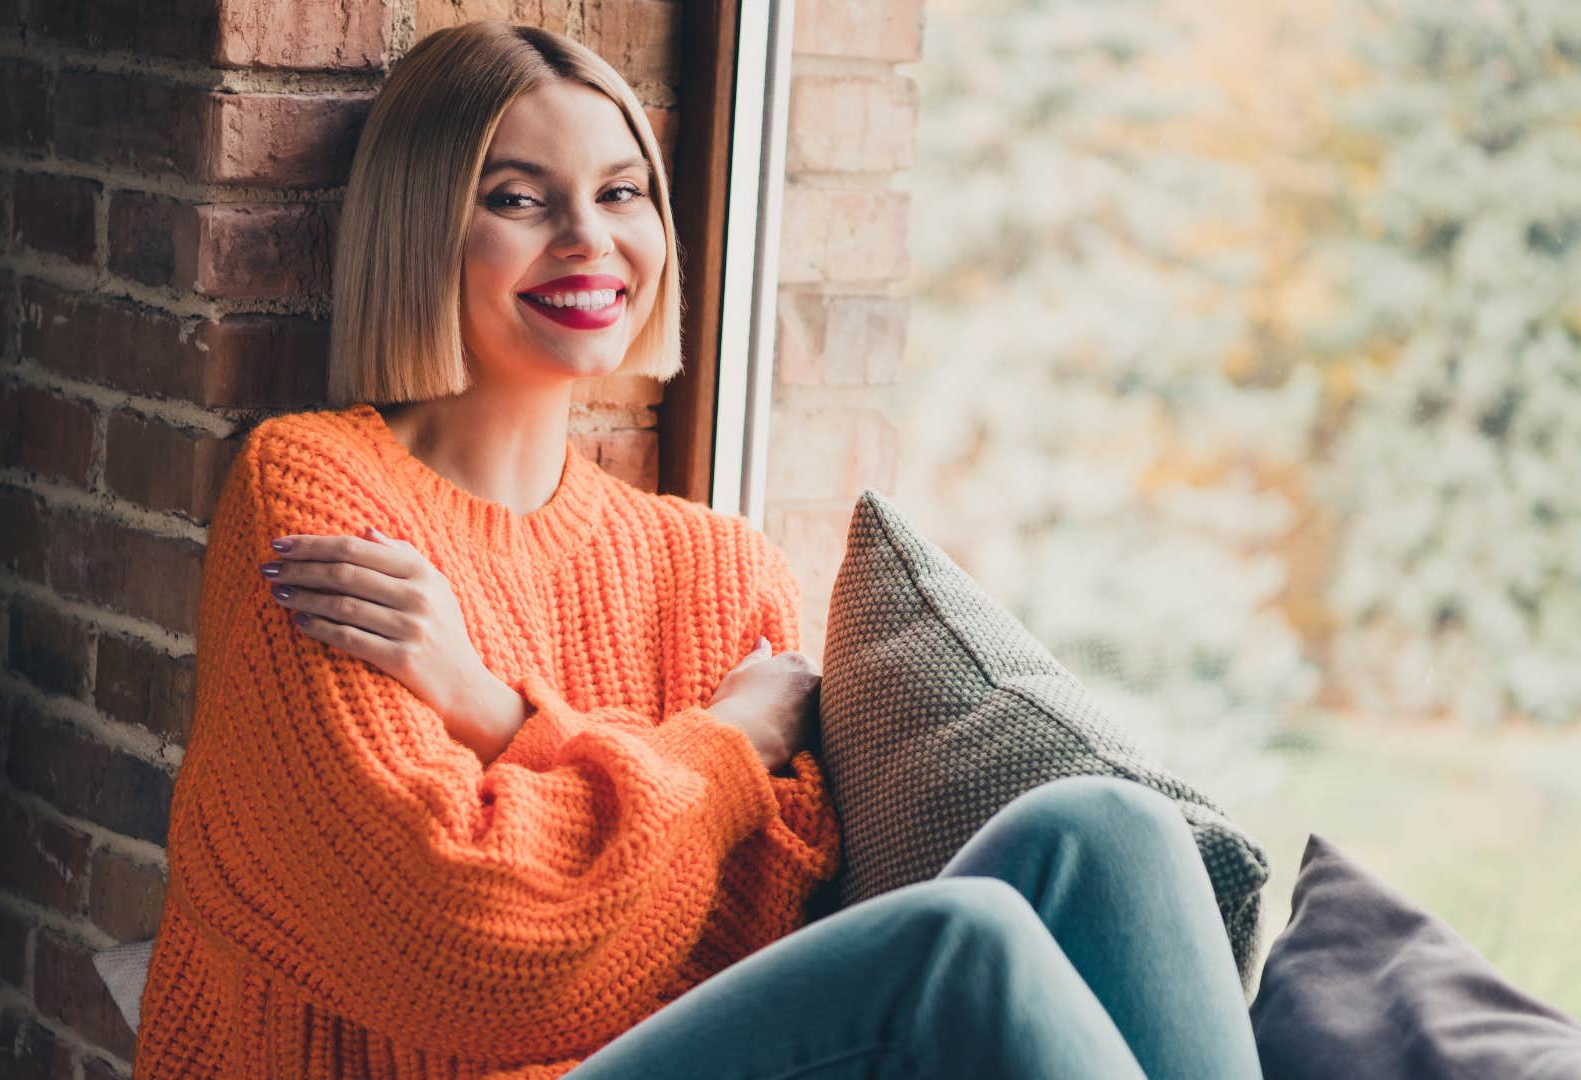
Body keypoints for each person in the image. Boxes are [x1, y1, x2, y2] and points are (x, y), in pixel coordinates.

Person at [131, 19, 1263, 1080]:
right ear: (420, 229)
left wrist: (502, 720)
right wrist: (723, 745)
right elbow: (473, 944)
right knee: (957, 947)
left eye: (621, 192)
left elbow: (747, 932)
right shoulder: (323, 490)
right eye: (520, 199)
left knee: (1110, 829)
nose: (589, 239)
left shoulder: (714, 567)